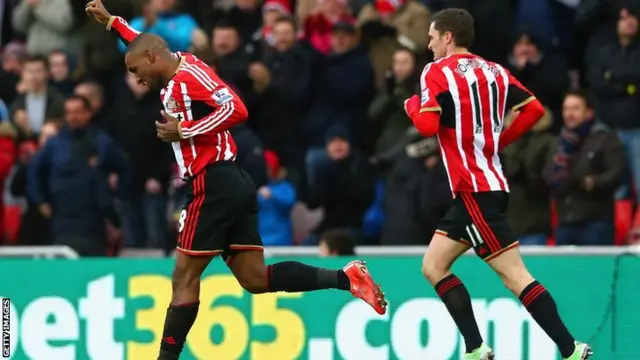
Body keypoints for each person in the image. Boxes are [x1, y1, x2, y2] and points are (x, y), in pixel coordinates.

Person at [84, 2, 387, 360]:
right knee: (255, 279)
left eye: (137, 70)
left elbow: (236, 109)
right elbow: (142, 41)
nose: (137, 79)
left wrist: (186, 129)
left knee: (183, 276)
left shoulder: (190, 77)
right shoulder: (174, 61)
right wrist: (113, 23)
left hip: (212, 183)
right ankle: (347, 278)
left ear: (153, 58)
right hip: (231, 182)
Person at [403, 9, 592, 360]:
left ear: (448, 36)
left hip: (475, 191)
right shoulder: (495, 70)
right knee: (433, 266)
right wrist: (497, 142)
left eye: (431, 37)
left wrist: (412, 105)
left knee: (515, 276)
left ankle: (570, 348)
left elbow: (428, 127)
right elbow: (533, 110)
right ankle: (475, 348)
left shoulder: (436, 71)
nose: (428, 45)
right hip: (483, 188)